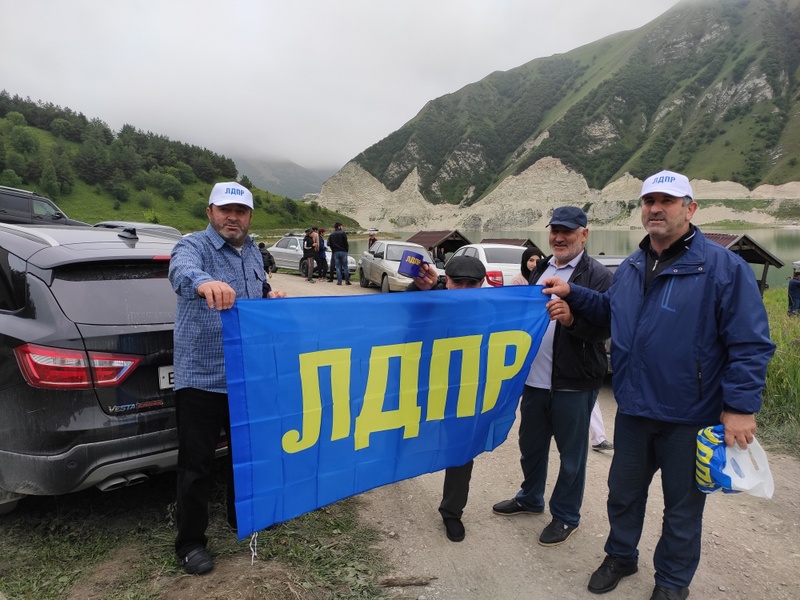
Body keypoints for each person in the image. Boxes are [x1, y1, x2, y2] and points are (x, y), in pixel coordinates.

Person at [542, 170, 775, 600]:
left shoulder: (723, 267)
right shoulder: (632, 266)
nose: (655, 208)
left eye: (667, 201)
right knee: (623, 494)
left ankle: (671, 582)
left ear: (690, 208)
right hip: (633, 408)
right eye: (649, 200)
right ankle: (621, 555)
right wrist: (573, 292)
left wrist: (740, 407)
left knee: (682, 508)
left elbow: (750, 343)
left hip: (691, 413)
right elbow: (612, 312)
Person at [168, 181, 286, 576]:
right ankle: (189, 542)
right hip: (202, 378)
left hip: (247, 377)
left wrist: (269, 297)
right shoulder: (192, 246)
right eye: (225, 210)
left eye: (241, 211)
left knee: (247, 457)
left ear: (250, 216)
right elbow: (181, 272)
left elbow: (259, 286)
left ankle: (243, 518)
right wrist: (205, 283)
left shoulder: (253, 250)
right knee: (196, 465)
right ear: (210, 212)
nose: (233, 218)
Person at [492, 206, 612, 547]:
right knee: (531, 446)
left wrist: (573, 320)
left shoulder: (599, 276)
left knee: (572, 455)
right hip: (534, 379)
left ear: (584, 235)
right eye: (555, 230)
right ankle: (530, 498)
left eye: (568, 231)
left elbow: (606, 326)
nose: (559, 237)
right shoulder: (542, 266)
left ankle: (566, 516)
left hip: (574, 382)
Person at [406, 255, 487, 543]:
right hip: (423, 385)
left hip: (465, 389)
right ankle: (386, 477)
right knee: (399, 435)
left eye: (472, 284)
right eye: (458, 282)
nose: (464, 289)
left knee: (461, 451)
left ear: (482, 283)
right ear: (446, 280)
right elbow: (407, 311)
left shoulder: (495, 308)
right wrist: (419, 289)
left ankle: (452, 512)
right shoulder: (433, 295)